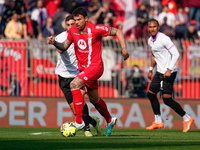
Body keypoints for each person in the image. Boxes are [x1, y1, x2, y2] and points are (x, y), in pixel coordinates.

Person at [47, 6, 129, 136]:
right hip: (84, 69)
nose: (76, 23)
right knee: (94, 99)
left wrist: (124, 49)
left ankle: (79, 122)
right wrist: (54, 43)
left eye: (79, 20)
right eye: (75, 20)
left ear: (86, 19)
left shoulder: (96, 29)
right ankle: (109, 119)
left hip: (96, 67)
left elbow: (118, 32)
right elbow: (64, 46)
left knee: (74, 85)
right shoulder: (73, 30)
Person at [55, 15, 102, 137]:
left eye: (73, 24)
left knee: (80, 99)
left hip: (77, 74)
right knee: (76, 111)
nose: (71, 26)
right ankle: (93, 122)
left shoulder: (82, 35)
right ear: (65, 26)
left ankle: (86, 128)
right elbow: (61, 50)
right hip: (63, 75)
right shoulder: (61, 37)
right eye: (68, 25)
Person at [146, 19, 194, 132]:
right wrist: (150, 70)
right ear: (148, 28)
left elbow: (176, 53)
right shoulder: (150, 41)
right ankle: (158, 121)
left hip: (169, 72)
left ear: (158, 27)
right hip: (159, 72)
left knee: (167, 100)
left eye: (154, 26)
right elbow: (154, 55)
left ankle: (187, 118)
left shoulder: (164, 38)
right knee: (151, 95)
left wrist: (169, 69)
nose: (152, 29)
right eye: (150, 27)